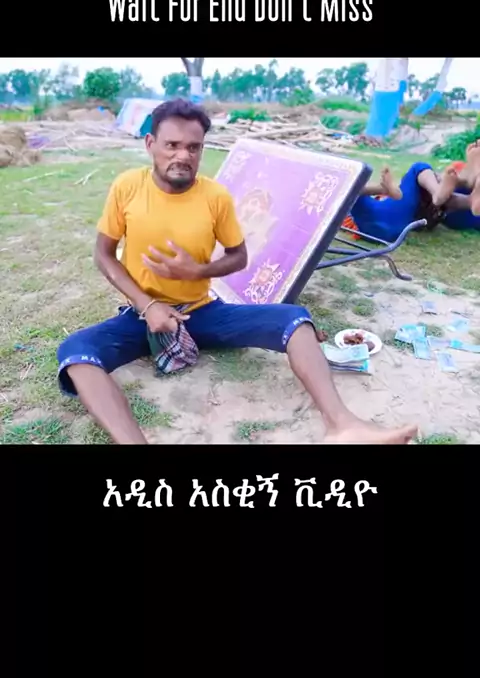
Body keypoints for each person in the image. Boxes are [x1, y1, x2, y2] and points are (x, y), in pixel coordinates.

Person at [56, 99, 418, 446]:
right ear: (151, 144)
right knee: (76, 350)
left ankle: (344, 425)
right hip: (143, 317)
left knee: (294, 319)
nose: (183, 155)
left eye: (193, 147)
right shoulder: (127, 187)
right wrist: (146, 305)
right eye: (172, 145)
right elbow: (104, 255)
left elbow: (238, 257)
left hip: (202, 313)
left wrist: (198, 270)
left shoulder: (215, 197)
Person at [343, 147, 480, 244]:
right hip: (386, 217)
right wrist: (382, 189)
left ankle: (456, 192)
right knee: (418, 169)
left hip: (395, 219)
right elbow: (350, 189)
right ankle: (454, 192)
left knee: (425, 178)